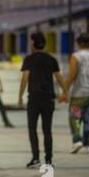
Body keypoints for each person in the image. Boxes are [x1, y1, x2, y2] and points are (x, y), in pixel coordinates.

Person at [18, 33, 68, 168]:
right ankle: (49, 160)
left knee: (32, 128)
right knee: (47, 130)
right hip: (48, 99)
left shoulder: (29, 59)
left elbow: (25, 78)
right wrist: (65, 92)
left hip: (34, 98)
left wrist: (20, 96)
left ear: (33, 44)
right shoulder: (51, 59)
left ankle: (35, 158)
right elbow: (59, 77)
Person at [66, 33, 89, 154]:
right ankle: (87, 142)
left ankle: (77, 141)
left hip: (78, 94)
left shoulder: (76, 56)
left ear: (80, 44)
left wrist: (64, 91)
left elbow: (71, 75)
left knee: (75, 117)